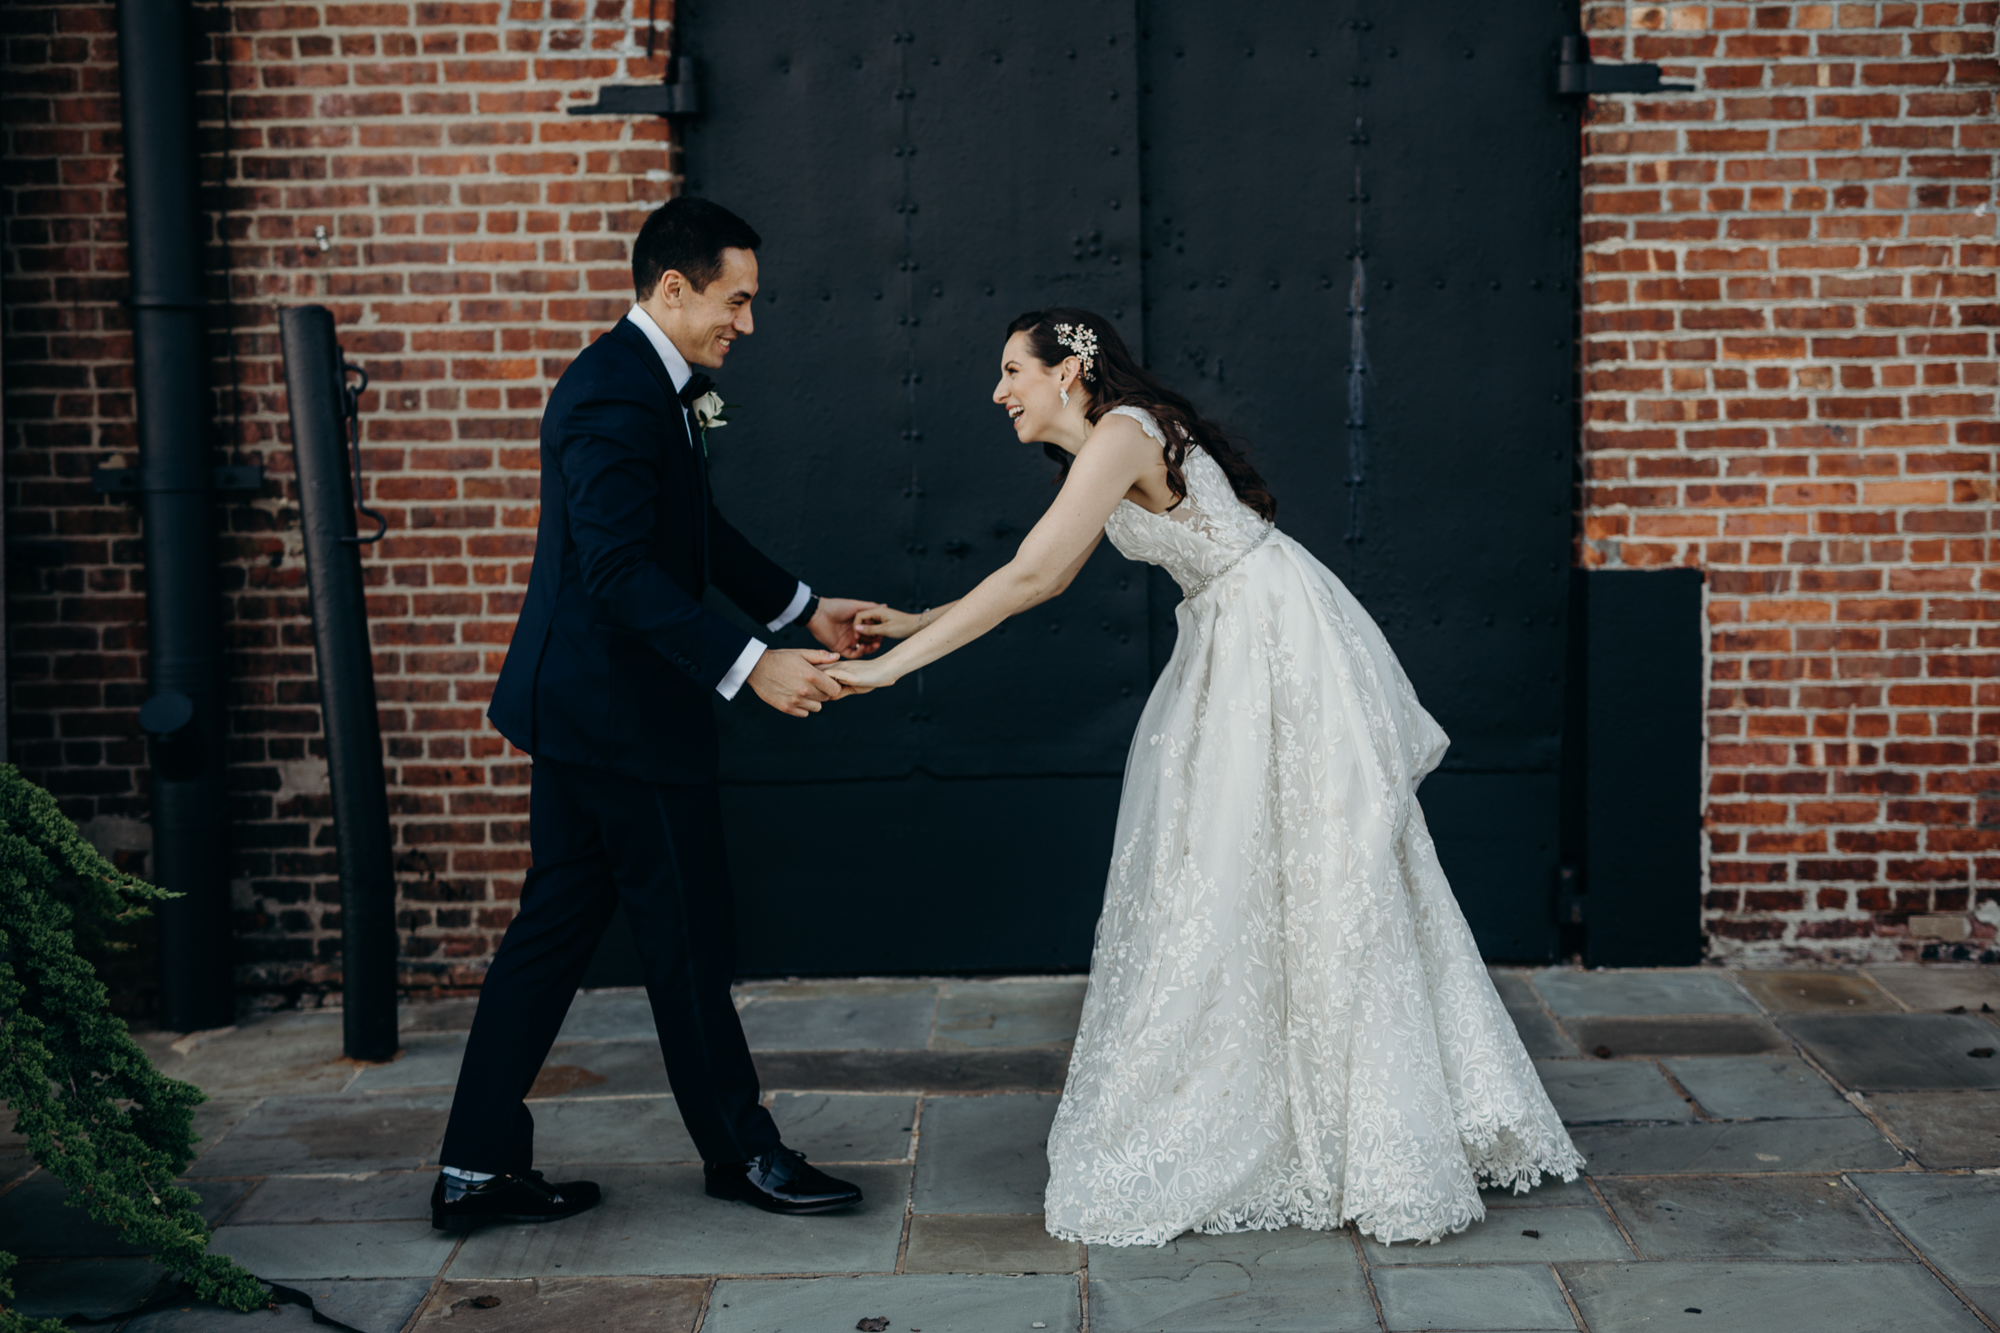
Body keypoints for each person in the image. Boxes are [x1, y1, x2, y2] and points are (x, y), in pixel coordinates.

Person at [829, 309, 1584, 1246]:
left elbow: (1037, 576)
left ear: (1069, 371)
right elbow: (1033, 569)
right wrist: (912, 620)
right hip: (1236, 636)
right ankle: (1317, 1113)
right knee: (1253, 870)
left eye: (1012, 370)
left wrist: (885, 672)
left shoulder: (1123, 429)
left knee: (1315, 866)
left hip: (1274, 640)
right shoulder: (1112, 439)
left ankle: (1373, 1129)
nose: (999, 392)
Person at [432, 198, 881, 1232]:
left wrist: (802, 609)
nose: (749, 324)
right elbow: (620, 571)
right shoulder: (614, 398)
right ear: (672, 288)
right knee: (682, 940)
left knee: (549, 938)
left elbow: (691, 530)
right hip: (620, 719)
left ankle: (473, 1169)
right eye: (737, 300)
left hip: (584, 713)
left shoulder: (648, 385)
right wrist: (750, 667)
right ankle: (742, 1154)